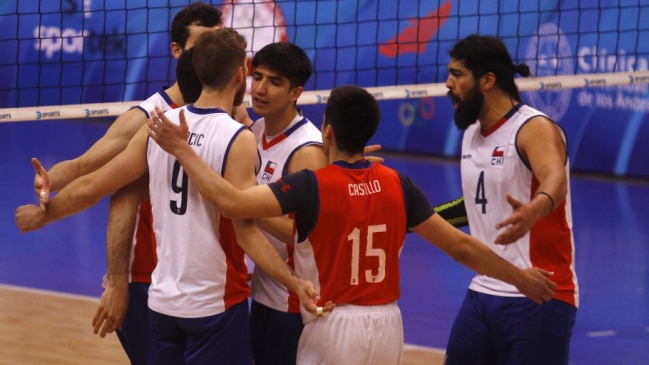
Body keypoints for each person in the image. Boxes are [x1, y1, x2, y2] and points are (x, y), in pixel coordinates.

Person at [144, 84, 557, 364]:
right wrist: (519, 279)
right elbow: (461, 247)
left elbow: (231, 202)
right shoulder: (399, 183)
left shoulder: (310, 186)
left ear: (326, 130)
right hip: (387, 325)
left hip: (332, 323)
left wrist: (183, 150)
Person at [17, 28, 325, 364]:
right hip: (215, 303)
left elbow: (97, 184)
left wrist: (43, 214)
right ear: (241, 75)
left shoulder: (157, 126)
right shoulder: (239, 138)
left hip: (162, 302)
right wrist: (293, 281)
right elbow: (245, 230)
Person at [27, 4, 241, 364]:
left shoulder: (231, 112)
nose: (211, 53)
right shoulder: (147, 118)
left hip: (209, 286)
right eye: (203, 44)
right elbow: (92, 171)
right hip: (152, 281)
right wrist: (51, 180)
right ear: (178, 51)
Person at [442, 34, 578, 364]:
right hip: (485, 289)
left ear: (488, 80)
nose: (447, 84)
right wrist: (410, 218)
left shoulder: (534, 128)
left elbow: (554, 179)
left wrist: (535, 208)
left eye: (457, 75)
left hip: (540, 293)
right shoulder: (472, 132)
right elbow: (477, 204)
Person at [245, 42, 326, 365]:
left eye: (274, 82)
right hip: (264, 289)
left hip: (294, 302)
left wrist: (245, 205)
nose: (261, 89)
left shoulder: (307, 151)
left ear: (296, 93)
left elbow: (310, 234)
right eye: (258, 77)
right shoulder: (255, 129)